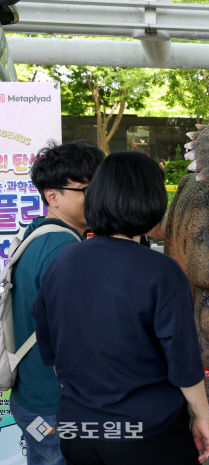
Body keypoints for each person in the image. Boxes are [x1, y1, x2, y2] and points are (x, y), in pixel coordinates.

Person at [30, 152, 209, 465]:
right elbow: (184, 363)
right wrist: (203, 417)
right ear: (151, 201)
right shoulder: (161, 271)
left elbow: (52, 350)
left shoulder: (63, 261)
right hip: (145, 434)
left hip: (79, 430)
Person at [9, 141, 103, 465]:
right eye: (89, 189)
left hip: (31, 397)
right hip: (57, 405)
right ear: (53, 196)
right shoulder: (66, 249)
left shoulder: (35, 235)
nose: (100, 198)